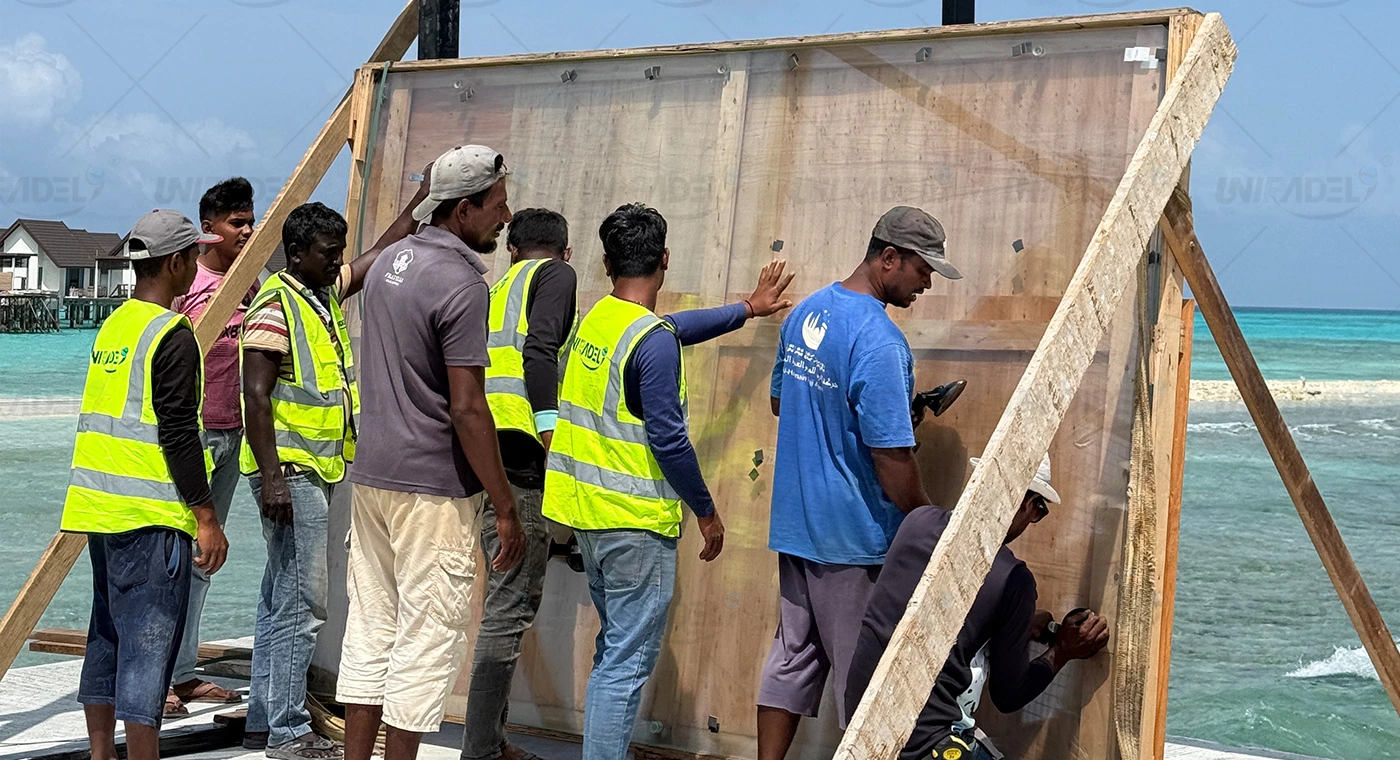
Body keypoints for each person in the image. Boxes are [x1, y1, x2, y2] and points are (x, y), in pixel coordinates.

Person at [543, 203, 795, 760]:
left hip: (588, 516)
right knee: (627, 663)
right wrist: (706, 511)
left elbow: (671, 329)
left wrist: (747, 309)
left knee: (615, 651)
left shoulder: (602, 319)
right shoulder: (649, 340)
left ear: (606, 263)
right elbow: (670, 439)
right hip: (634, 524)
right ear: (665, 260)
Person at [337, 145, 525, 760]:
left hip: (371, 477)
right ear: (465, 208)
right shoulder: (463, 282)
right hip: (433, 491)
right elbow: (469, 407)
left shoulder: (392, 261)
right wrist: (504, 505)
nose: (504, 216)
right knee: (426, 638)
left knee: (369, 629)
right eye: (496, 206)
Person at [757, 206, 963, 759]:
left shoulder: (807, 312)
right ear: (888, 258)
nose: (926, 283)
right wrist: (927, 522)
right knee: (863, 679)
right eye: (923, 270)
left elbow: (783, 401)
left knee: (792, 658)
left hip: (797, 524)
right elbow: (891, 459)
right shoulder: (880, 341)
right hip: (852, 537)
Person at [238, 188, 423, 758]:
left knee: (280, 599)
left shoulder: (315, 294)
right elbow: (255, 394)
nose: (336, 258)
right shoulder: (276, 305)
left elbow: (372, 260)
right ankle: (289, 731)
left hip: (312, 471)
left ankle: (264, 718)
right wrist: (272, 477)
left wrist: (422, 200)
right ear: (296, 254)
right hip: (290, 474)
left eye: (338, 248)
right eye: (326, 251)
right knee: (305, 605)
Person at [61, 209, 230, 760]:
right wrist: (206, 517)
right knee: (149, 649)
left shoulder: (115, 325)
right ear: (177, 262)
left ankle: (99, 753)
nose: (198, 265)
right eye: (193, 256)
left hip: (98, 511)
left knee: (106, 635)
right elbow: (179, 434)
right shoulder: (171, 334)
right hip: (150, 515)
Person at [844, 457, 1111, 760]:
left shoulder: (917, 521)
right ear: (1029, 502)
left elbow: (941, 611)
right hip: (922, 746)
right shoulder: (1013, 580)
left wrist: (1016, 624)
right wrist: (1062, 650)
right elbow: (1008, 695)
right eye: (1040, 510)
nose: (1034, 519)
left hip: (862, 728)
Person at [462, 208, 577, 760]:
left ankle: (493, 738)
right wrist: (551, 430)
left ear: (511, 249)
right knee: (509, 607)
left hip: (486, 452)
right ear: (566, 251)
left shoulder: (497, 286)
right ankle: (480, 749)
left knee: (502, 596)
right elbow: (541, 351)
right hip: (524, 455)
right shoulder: (555, 275)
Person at [165, 177, 258, 715]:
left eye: (251, 222)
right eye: (237, 223)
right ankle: (154, 678)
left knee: (204, 560)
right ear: (208, 230)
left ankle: (181, 674)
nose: (247, 232)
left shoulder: (253, 284)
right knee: (173, 557)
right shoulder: (187, 285)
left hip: (235, 433)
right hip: (191, 435)